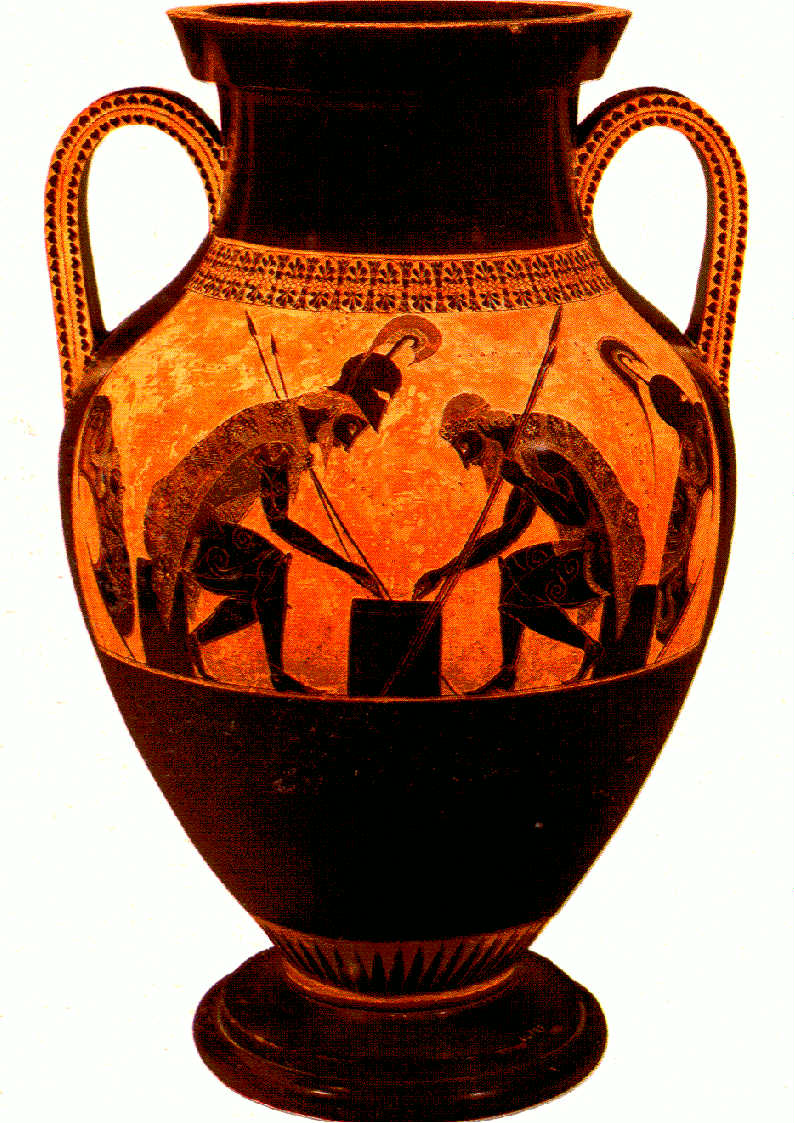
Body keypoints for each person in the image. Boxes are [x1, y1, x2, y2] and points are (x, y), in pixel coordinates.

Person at [412, 394, 644, 693]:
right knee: (512, 567)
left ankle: (589, 647)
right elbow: (506, 533)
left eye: (468, 446)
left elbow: (575, 514)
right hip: (585, 549)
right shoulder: (519, 458)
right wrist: (443, 571)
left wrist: (526, 481)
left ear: (482, 428)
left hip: (607, 557)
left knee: (516, 599)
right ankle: (508, 673)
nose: (469, 461)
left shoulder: (538, 452)